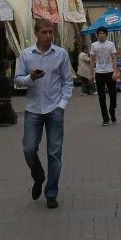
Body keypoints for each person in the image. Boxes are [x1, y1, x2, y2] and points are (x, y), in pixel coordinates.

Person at [14, 17, 74, 210]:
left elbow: (67, 81)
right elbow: (17, 81)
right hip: (33, 109)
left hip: (55, 109)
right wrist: (31, 77)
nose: (48, 36)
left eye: (50, 32)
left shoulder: (61, 54)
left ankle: (51, 193)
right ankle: (38, 175)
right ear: (36, 33)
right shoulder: (25, 55)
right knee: (29, 148)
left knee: (54, 154)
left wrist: (62, 105)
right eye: (44, 32)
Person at [90, 27, 119, 126]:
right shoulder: (94, 45)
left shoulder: (111, 44)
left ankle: (112, 110)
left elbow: (114, 58)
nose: (101, 35)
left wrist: (115, 72)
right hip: (99, 73)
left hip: (110, 72)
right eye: (99, 33)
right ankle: (105, 118)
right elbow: (92, 60)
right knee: (101, 97)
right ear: (97, 35)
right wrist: (91, 74)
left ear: (106, 34)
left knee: (113, 95)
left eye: (103, 33)